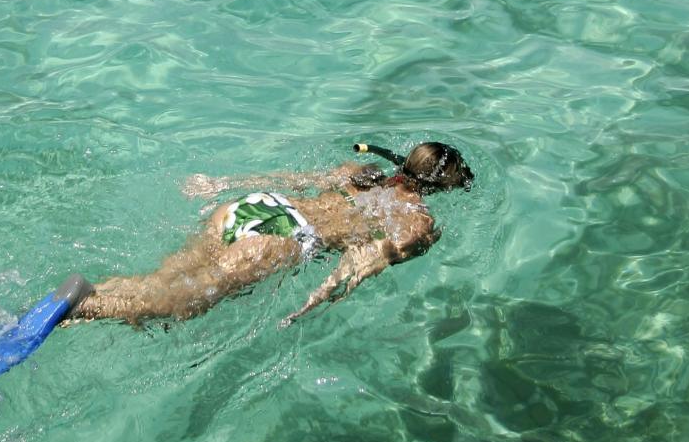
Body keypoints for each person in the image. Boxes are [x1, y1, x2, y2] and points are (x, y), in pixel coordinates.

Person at [68, 141, 473, 331]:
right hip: (282, 234)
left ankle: (90, 295)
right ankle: (85, 309)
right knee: (182, 303)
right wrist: (317, 300)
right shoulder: (416, 220)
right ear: (444, 187)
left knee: (167, 278)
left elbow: (292, 179)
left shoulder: (360, 172)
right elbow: (364, 262)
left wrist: (219, 183)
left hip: (255, 206)